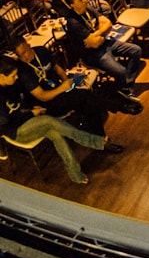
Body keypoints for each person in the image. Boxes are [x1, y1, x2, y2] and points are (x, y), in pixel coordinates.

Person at [0, 55, 119, 185]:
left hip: (28, 120)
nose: (17, 77)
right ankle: (93, 141)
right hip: (17, 131)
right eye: (13, 76)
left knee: (56, 134)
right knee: (48, 121)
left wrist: (31, 109)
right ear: (1, 77)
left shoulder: (12, 85)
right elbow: (6, 124)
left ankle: (75, 174)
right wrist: (30, 113)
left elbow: (21, 104)